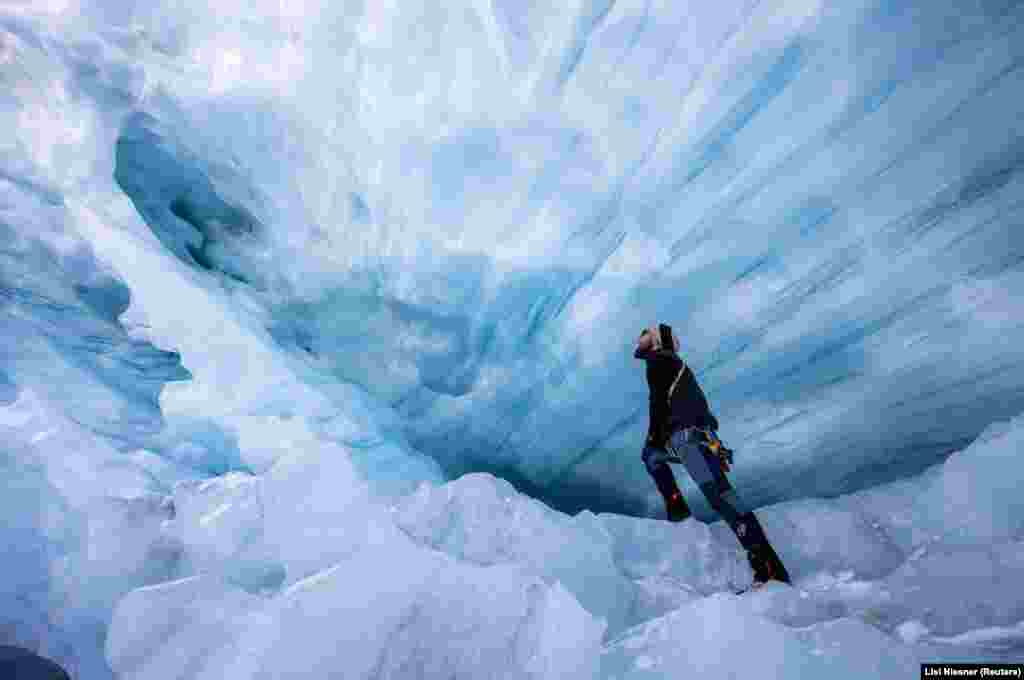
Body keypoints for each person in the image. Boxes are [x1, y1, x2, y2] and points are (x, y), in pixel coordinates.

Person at [635, 323, 790, 586]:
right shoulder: (675, 365)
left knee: (720, 497)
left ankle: (767, 569)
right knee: (725, 497)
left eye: (645, 336)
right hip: (703, 441)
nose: (640, 339)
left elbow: (658, 406)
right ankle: (770, 567)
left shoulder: (659, 363)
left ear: (658, 342)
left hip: (690, 443)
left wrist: (654, 439)